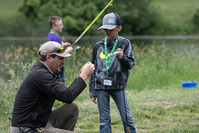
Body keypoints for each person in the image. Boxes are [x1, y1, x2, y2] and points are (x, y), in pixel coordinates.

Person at [9, 41, 95, 133]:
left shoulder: (42, 71)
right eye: (61, 58)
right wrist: (84, 75)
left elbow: (64, 93)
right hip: (27, 129)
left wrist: (80, 76)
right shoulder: (40, 74)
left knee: (72, 108)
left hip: (40, 123)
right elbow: (67, 96)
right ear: (49, 57)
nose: (63, 62)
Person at [89, 12, 137, 133]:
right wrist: (92, 90)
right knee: (104, 120)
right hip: (100, 87)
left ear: (119, 28)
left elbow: (130, 64)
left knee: (127, 118)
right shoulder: (98, 46)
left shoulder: (125, 43)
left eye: (110, 28)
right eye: (105, 28)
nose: (107, 31)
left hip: (118, 85)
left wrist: (122, 58)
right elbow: (93, 68)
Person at [47, 16, 73, 85]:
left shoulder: (50, 36)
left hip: (52, 66)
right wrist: (68, 51)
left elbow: (54, 48)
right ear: (53, 26)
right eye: (60, 25)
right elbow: (58, 54)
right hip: (57, 66)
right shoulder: (56, 38)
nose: (62, 26)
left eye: (62, 24)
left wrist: (63, 44)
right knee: (60, 84)